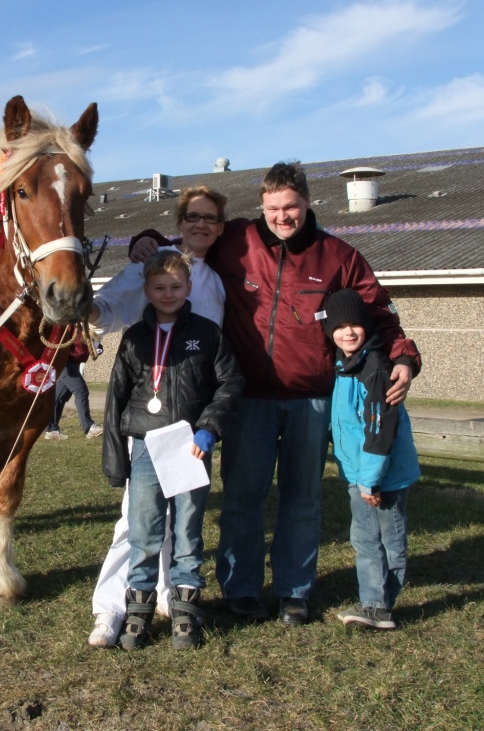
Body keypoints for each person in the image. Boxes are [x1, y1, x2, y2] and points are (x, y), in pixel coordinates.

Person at [129, 162, 421, 626]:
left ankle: (295, 591)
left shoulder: (338, 256)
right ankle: (240, 588)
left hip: (312, 397)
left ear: (307, 204)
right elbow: (189, 239)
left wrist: (404, 358)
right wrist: (145, 237)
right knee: (243, 497)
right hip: (248, 400)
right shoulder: (237, 240)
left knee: (301, 498)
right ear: (261, 207)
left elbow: (379, 312)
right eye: (272, 209)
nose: (282, 217)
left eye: (291, 208)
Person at [87, 185, 228, 648]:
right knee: (138, 520)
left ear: (221, 225)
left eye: (210, 218)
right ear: (179, 220)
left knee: (184, 521)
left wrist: (210, 424)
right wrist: (84, 306)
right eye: (192, 217)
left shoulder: (223, 273)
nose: (201, 225)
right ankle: (112, 608)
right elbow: (104, 312)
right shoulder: (155, 262)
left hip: (190, 422)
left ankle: (174, 599)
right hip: (148, 422)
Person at [102, 251, 243, 650]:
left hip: (190, 448)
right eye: (160, 287)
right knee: (144, 532)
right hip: (147, 446)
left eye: (176, 287)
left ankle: (185, 614)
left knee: (187, 531)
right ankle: (138, 614)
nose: (168, 294)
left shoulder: (208, 332)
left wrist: (208, 429)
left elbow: (230, 384)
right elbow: (115, 399)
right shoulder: (133, 338)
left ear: (189, 288)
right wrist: (117, 460)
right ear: (146, 290)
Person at [321, 288, 420, 630]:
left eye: (355, 325)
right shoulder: (344, 366)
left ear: (367, 326)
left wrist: (370, 481)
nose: (348, 332)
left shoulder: (375, 370)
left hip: (380, 478)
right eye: (339, 326)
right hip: (359, 474)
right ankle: (376, 601)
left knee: (386, 540)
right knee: (365, 539)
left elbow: (379, 433)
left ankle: (380, 606)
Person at [44, 338, 102, 440]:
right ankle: (89, 427)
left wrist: (98, 348)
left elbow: (94, 343)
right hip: (66, 362)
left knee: (60, 396)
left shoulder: (88, 327)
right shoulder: (72, 326)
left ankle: (51, 429)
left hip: (74, 363)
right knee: (81, 391)